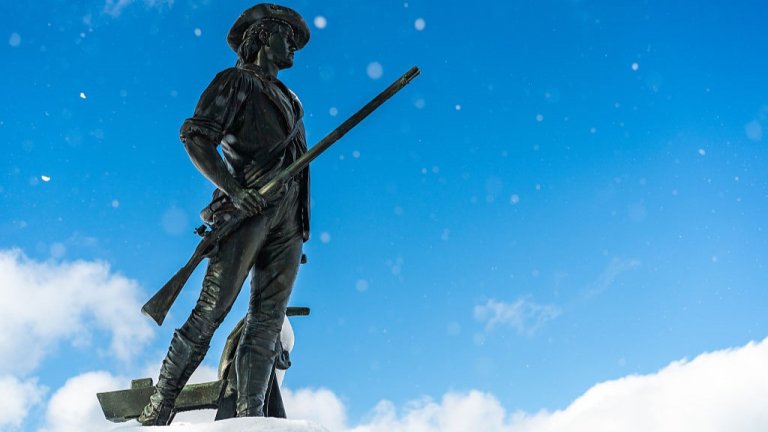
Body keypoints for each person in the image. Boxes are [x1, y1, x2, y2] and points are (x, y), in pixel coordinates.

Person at [139, 3, 311, 425]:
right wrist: (235, 190)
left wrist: (299, 221)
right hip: (246, 211)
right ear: (260, 38)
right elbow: (196, 137)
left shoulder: (292, 100)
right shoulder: (235, 81)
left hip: (289, 219)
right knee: (211, 313)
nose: (292, 45)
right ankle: (160, 404)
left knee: (267, 321)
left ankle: (252, 416)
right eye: (284, 36)